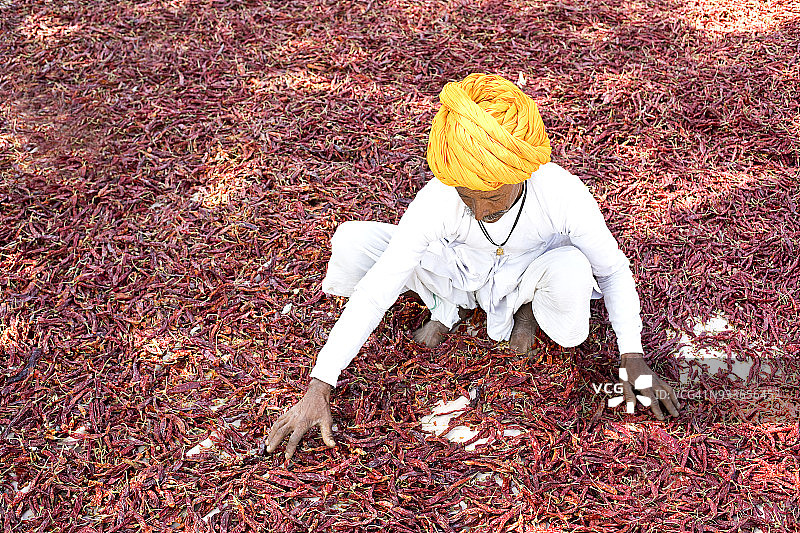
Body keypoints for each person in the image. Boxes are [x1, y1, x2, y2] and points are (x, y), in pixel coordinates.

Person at [266, 73, 680, 461]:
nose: (480, 211)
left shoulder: (561, 193)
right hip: (462, 271)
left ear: (521, 172)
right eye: (468, 197)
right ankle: (447, 307)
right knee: (352, 243)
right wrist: (320, 383)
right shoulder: (441, 197)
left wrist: (632, 355)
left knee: (573, 301)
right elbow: (376, 291)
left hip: (528, 275)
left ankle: (526, 310)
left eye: (492, 197)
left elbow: (612, 271)